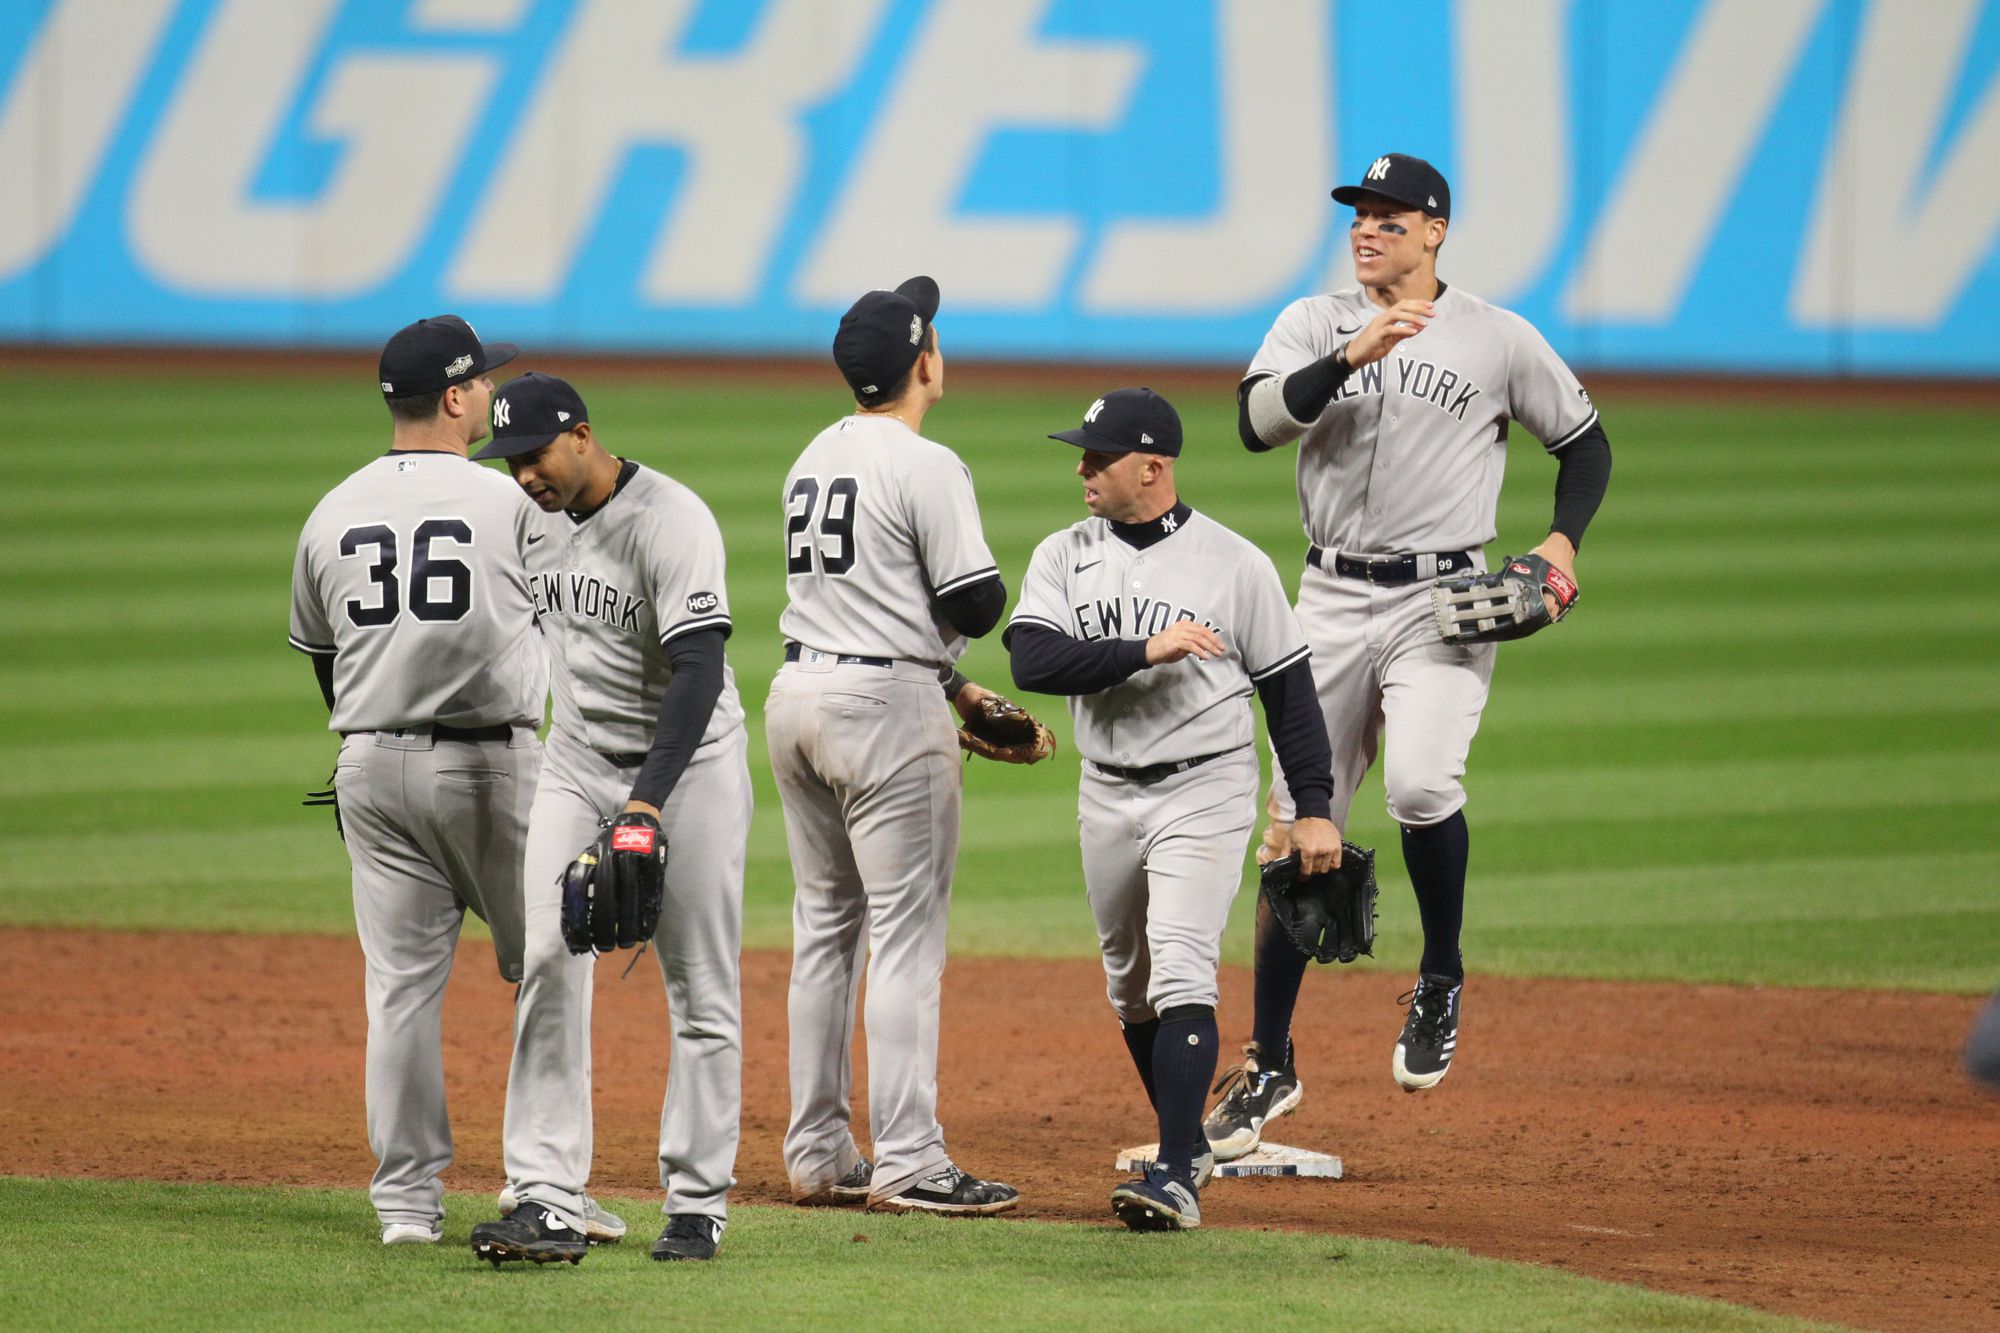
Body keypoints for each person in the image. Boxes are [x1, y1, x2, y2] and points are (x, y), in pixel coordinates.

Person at [1206, 152, 1614, 1157]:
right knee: (1300, 822)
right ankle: (1267, 1062)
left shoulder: (1496, 335)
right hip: (1327, 599)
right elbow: (1255, 423)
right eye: (1359, 212)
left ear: (1435, 230)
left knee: (1424, 786)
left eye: (1390, 215)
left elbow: (1584, 443)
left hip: (1442, 599)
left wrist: (1559, 543)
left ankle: (1438, 975)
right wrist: (1348, 355)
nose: (1368, 227)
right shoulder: (1309, 322)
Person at [1005, 388, 1340, 1231]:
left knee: (1184, 959)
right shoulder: (1062, 553)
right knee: (1131, 986)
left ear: (1151, 467)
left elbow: (1292, 697)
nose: (1081, 468)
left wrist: (1315, 807)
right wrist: (1144, 649)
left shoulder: (1233, 562)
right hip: (1106, 786)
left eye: (1097, 455)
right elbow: (1032, 660)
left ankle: (1176, 1173)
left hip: (1206, 783)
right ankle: (1187, 1140)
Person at [465, 372, 751, 1264]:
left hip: (689, 767)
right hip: (575, 761)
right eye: (509, 461)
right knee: (548, 959)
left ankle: (698, 1202)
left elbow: (698, 671)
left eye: (536, 456)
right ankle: (548, 1191)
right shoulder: (527, 517)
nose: (523, 476)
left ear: (583, 436)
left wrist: (646, 802)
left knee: (699, 986)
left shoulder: (673, 520)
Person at [287, 316, 545, 1245]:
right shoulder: (510, 500)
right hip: (492, 766)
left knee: (399, 988)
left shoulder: (331, 508)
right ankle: (540, 1186)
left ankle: (405, 1206)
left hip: (368, 764)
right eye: (482, 384)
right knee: (546, 970)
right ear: (453, 396)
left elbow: (324, 658)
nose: (490, 397)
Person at [768, 276, 1021, 1216]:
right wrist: (951, 654)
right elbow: (977, 601)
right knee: (907, 939)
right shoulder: (927, 463)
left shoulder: (812, 454)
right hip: (883, 708)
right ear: (925, 361)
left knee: (826, 930)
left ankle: (821, 1150)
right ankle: (912, 1158)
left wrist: (947, 675)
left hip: (797, 696)